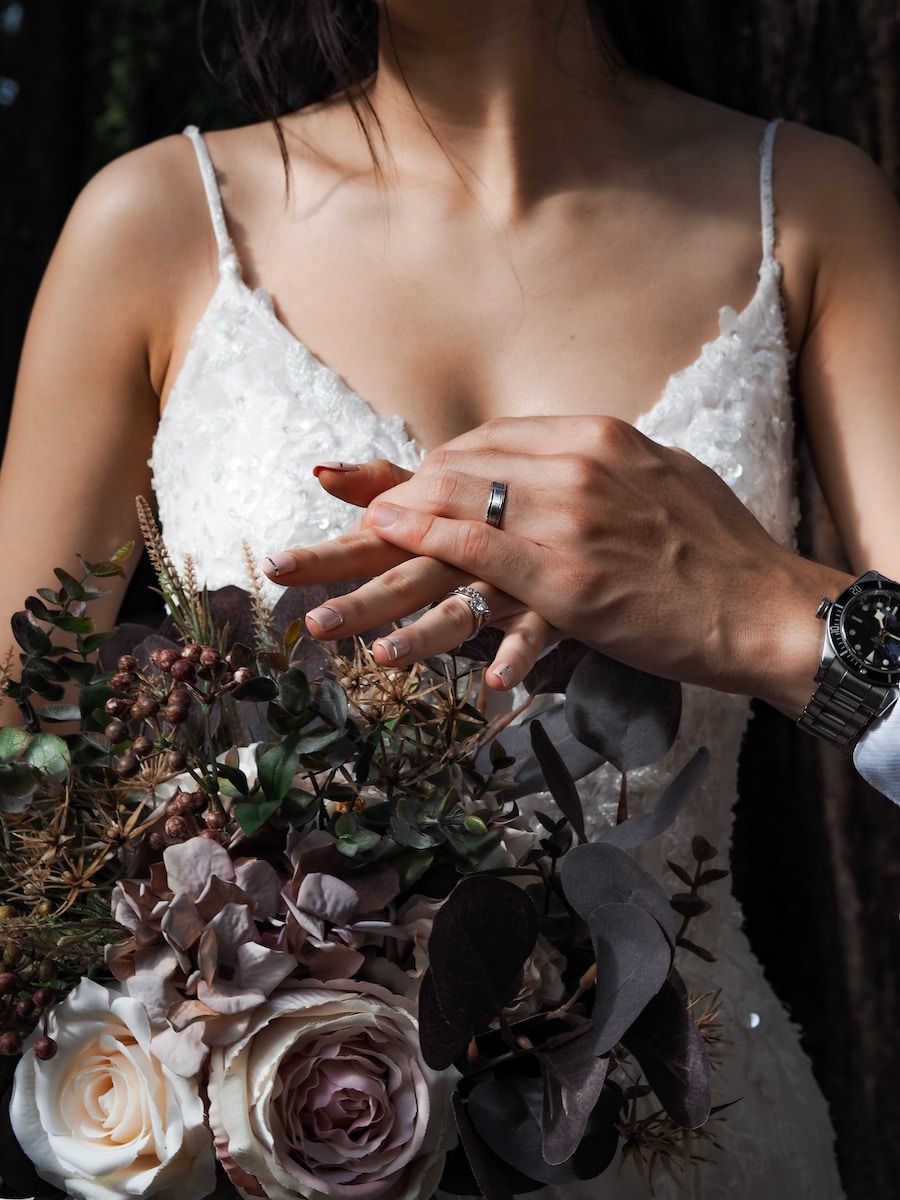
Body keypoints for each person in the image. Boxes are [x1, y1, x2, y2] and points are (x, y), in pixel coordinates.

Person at [3, 0, 900, 1195]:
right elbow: (17, 791)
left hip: (695, 1147)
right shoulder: (155, 223)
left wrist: (773, 616)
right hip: (264, 1147)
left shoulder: (813, 209)